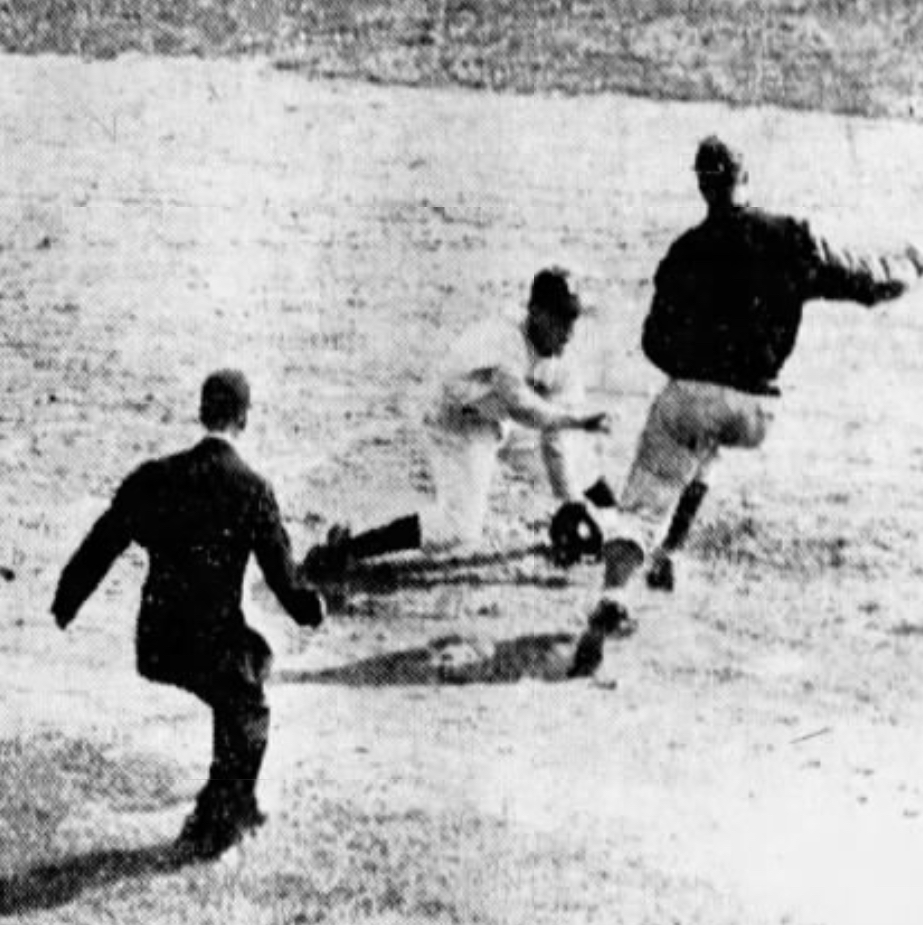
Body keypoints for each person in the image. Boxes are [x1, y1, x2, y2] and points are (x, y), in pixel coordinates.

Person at [574, 134, 923, 669]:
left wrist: (695, 370)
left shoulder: (684, 251)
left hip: (692, 394)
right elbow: (866, 282)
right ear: (746, 178)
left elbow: (652, 342)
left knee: (652, 485)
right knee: (706, 441)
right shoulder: (790, 237)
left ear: (701, 186)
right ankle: (670, 554)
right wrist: (909, 266)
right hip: (757, 412)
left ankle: (617, 593)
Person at [51, 370, 326, 860]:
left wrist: (66, 602)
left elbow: (103, 542)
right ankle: (219, 820)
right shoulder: (252, 489)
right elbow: (284, 578)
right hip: (213, 642)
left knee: (243, 678)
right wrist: (312, 610)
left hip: (158, 643)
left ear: (202, 413)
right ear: (244, 418)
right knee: (249, 702)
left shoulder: (154, 477)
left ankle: (230, 801)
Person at [303, 266, 615, 577]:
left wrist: (570, 501)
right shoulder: (505, 340)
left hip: (498, 419)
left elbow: (553, 436)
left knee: (577, 460)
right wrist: (575, 421)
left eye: (573, 317)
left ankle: (618, 525)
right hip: (455, 422)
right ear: (534, 311)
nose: (568, 331)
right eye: (559, 318)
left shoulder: (564, 362)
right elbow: (522, 407)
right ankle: (349, 547)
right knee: (459, 527)